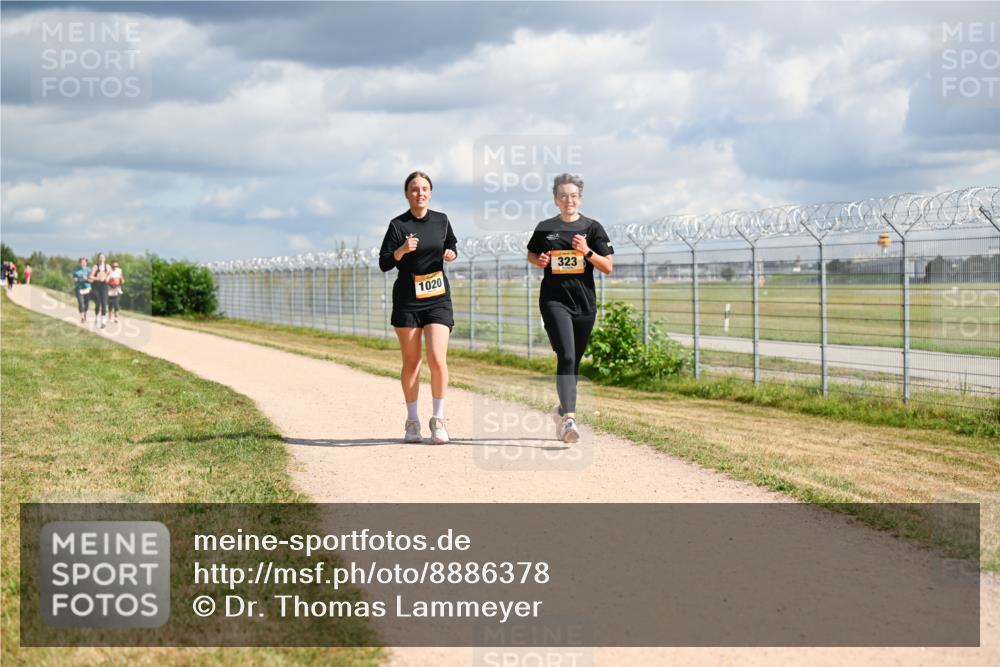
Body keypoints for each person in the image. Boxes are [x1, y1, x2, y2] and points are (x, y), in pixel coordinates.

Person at [526, 173, 614, 443]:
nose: (569, 200)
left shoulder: (592, 228)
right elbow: (531, 254)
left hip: (585, 304)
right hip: (554, 300)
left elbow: (608, 266)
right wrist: (539, 261)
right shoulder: (545, 228)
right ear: (556, 199)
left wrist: (587, 251)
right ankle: (569, 420)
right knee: (565, 356)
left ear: (580, 199)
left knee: (573, 362)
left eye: (573, 196)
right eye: (563, 196)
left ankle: (561, 411)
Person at [379, 171, 458, 444]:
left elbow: (451, 244)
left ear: (431, 193)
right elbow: (385, 262)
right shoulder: (398, 225)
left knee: (437, 358)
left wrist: (451, 253)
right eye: (414, 189)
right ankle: (412, 421)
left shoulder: (442, 220)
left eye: (424, 188)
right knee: (412, 362)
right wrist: (401, 250)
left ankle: (439, 420)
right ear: (407, 194)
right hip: (408, 301)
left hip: (437, 297)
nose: (420, 193)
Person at [88, 253, 111, 328]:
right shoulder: (95, 266)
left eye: (103, 257)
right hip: (96, 286)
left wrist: (107, 278)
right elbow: (90, 276)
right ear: (98, 259)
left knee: (104, 302)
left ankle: (103, 320)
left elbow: (110, 274)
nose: (102, 259)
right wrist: (97, 278)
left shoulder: (107, 266)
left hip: (104, 286)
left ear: (105, 258)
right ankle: (97, 317)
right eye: (100, 257)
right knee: (98, 303)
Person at [72, 258, 91, 324]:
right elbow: (74, 278)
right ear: (79, 263)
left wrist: (87, 278)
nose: (82, 264)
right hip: (79, 288)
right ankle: (82, 317)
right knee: (81, 302)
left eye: (84, 262)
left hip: (87, 289)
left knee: (86, 304)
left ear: (86, 263)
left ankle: (85, 315)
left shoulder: (89, 270)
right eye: (81, 262)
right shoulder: (76, 270)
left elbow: (92, 280)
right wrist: (76, 279)